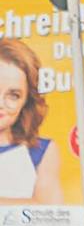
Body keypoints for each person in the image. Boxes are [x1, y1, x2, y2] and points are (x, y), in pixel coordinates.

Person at [0, 38, 59, 205]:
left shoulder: (41, 150)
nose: (1, 103)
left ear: (27, 101)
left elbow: (51, 211)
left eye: (13, 95)